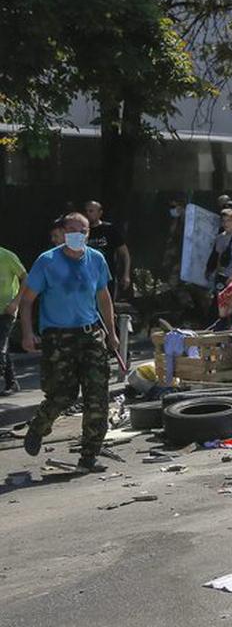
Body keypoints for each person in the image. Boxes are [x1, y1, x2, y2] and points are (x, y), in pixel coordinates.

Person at [20, 213, 125, 472]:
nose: (78, 234)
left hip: (90, 335)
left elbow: (103, 297)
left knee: (97, 398)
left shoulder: (96, 259)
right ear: (64, 232)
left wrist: (111, 333)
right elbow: (27, 300)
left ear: (89, 234)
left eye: (83, 230)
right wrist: (27, 333)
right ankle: (39, 425)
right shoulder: (48, 261)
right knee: (63, 395)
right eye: (72, 229)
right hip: (58, 337)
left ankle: (89, 456)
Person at [82, 201, 130, 297]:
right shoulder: (80, 231)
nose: (88, 214)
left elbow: (124, 253)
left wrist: (126, 274)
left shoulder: (109, 229)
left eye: (91, 211)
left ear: (100, 213)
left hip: (106, 276)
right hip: (85, 276)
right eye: (86, 211)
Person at [0, 245, 27, 394]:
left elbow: (25, 278)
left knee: (0, 347)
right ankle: (12, 383)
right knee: (3, 346)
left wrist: (16, 302)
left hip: (7, 309)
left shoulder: (7, 256)